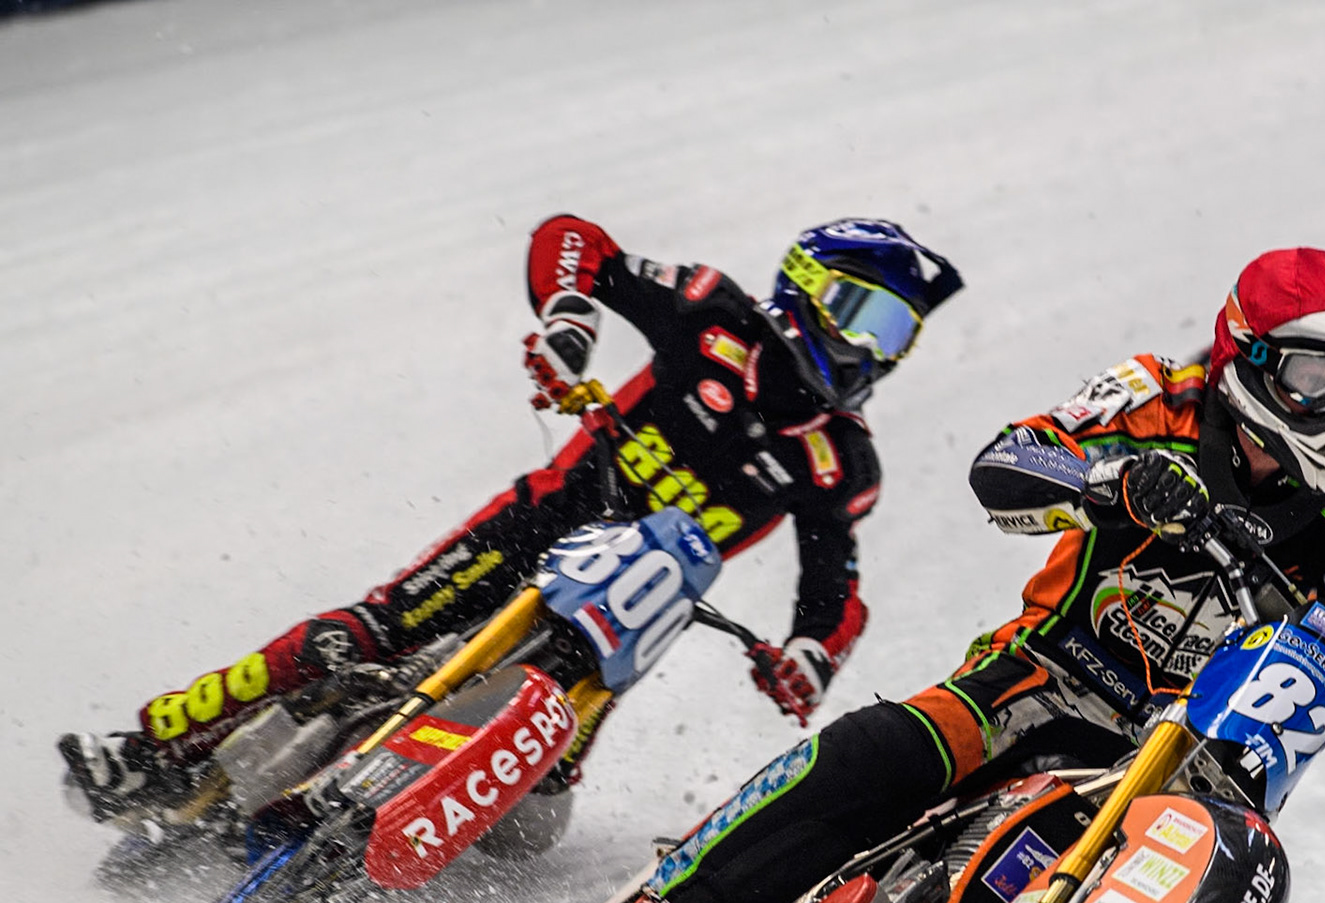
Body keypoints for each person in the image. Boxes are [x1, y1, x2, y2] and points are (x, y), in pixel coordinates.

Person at [584, 248, 1325, 903]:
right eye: (1318, 380)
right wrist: (1112, 484)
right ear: (1251, 358)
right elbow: (1010, 459)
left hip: (1196, 757)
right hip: (1047, 677)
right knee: (883, 749)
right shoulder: (1156, 398)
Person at [59, 216, 963, 828]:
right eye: (863, 315)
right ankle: (146, 749)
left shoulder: (841, 459)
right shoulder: (709, 310)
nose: (869, 348)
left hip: (630, 611)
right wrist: (569, 322)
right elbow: (572, 240)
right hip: (539, 524)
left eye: (896, 334)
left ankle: (445, 811)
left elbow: (835, 585)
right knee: (359, 635)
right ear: (803, 287)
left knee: (539, 812)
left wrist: (810, 657)